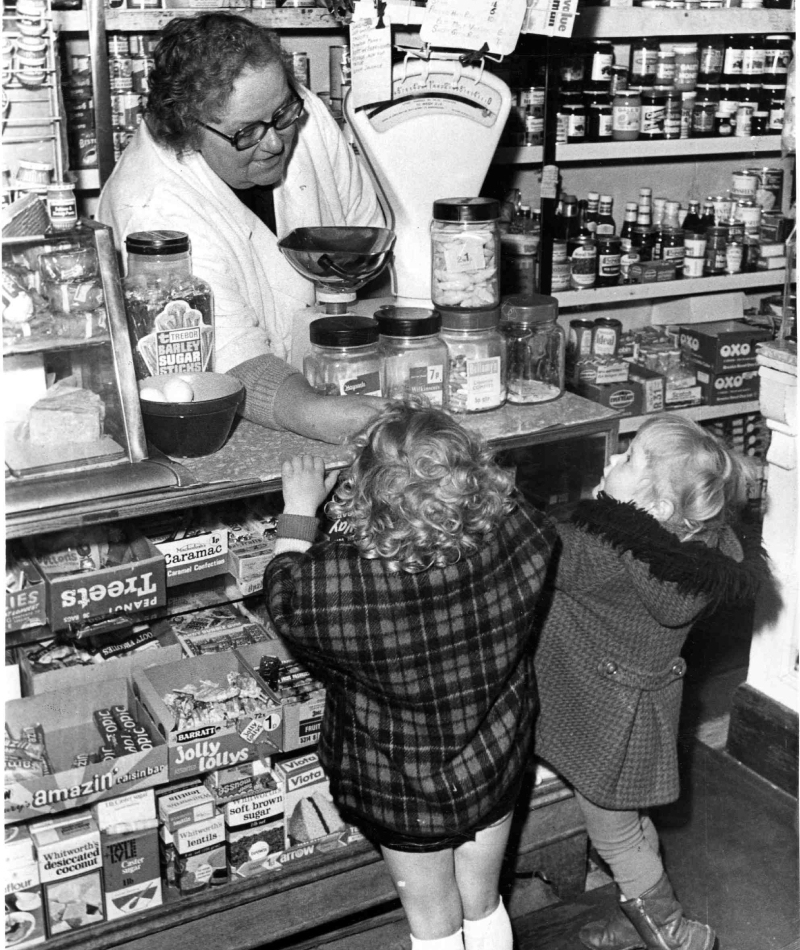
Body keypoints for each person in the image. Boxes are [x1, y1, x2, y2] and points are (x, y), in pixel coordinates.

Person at [263, 400, 556, 950]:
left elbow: (283, 594)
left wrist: (300, 509)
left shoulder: (339, 587)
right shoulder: (524, 533)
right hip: (492, 758)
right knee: (482, 898)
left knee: (433, 919)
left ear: (364, 497)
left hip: (399, 781)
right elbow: (520, 511)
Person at [533, 414, 770, 950]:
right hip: (641, 709)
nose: (612, 460)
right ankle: (642, 916)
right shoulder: (702, 549)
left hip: (603, 721)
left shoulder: (600, 551)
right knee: (630, 825)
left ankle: (673, 933)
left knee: (614, 833)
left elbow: (532, 547)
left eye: (630, 458)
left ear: (658, 508)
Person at [97, 13, 387, 443]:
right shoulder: (153, 207)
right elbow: (228, 359)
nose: (274, 142)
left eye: (282, 112)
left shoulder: (295, 112)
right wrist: (319, 412)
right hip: (219, 424)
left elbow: (367, 244)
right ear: (186, 129)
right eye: (246, 133)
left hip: (334, 377)